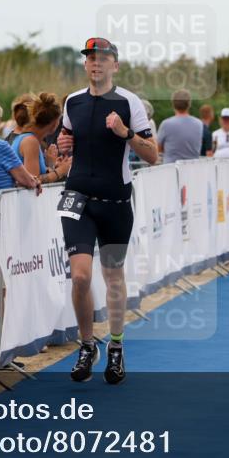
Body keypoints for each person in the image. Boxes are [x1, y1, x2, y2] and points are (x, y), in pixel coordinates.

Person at [56, 37, 157, 385]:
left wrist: (125, 132)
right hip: (77, 198)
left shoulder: (129, 103)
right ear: (85, 65)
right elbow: (62, 143)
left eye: (103, 58)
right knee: (80, 276)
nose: (96, 63)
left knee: (113, 276)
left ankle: (115, 346)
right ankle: (87, 345)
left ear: (115, 65)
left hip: (115, 202)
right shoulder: (72, 101)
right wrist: (61, 145)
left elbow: (152, 154)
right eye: (90, 59)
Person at [11, 92, 72, 185]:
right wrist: (61, 171)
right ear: (54, 124)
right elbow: (34, 181)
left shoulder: (26, 138)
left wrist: (52, 166)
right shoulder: (30, 141)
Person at [156, 89, 204, 163]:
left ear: (173, 104)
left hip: (171, 169)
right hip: (193, 169)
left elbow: (158, 148)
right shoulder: (199, 124)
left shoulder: (166, 124)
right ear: (189, 104)